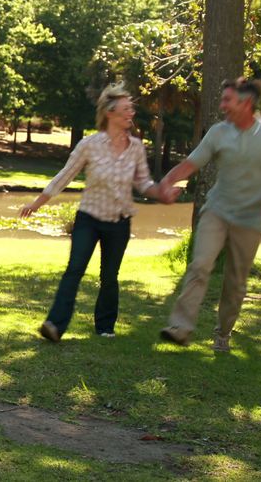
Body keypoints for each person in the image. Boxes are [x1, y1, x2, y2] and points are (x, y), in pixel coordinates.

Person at [157, 77, 261, 352]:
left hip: (250, 219)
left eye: (227, 100)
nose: (222, 105)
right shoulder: (217, 132)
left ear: (246, 103)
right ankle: (180, 327)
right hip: (217, 211)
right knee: (200, 264)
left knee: (235, 282)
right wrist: (167, 181)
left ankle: (223, 333)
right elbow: (191, 163)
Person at [22, 83, 177, 342]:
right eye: (127, 109)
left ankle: (104, 328)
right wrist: (37, 203)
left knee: (109, 276)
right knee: (75, 269)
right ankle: (54, 325)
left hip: (119, 221)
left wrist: (160, 192)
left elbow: (143, 183)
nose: (131, 113)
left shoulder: (136, 147)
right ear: (110, 113)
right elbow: (64, 176)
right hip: (89, 219)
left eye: (131, 109)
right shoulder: (90, 145)